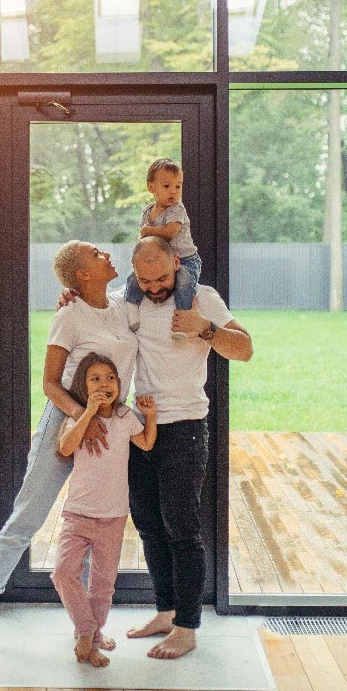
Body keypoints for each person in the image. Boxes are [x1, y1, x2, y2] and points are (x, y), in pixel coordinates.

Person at [0, 240, 138, 646]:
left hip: (110, 423)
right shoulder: (69, 316)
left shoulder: (123, 306)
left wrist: (101, 417)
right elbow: (49, 383)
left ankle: (90, 629)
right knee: (29, 513)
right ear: (81, 274)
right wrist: (82, 415)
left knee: (97, 520)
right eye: (97, 254)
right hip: (68, 419)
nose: (107, 255)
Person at [124, 236, 252, 659]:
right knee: (147, 524)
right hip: (143, 425)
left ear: (177, 262)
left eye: (161, 277)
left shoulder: (202, 297)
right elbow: (93, 312)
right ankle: (165, 612)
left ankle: (187, 627)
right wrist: (68, 296)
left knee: (182, 528)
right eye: (145, 279)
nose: (154, 286)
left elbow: (245, 349)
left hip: (187, 426)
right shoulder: (129, 298)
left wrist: (205, 328)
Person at [51, 352, 157, 668]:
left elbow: (147, 444)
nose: (104, 384)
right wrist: (89, 413)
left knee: (103, 584)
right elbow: (65, 447)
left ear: (119, 384)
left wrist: (149, 416)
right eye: (95, 379)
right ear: (83, 387)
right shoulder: (75, 419)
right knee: (63, 572)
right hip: (78, 514)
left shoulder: (125, 419)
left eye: (110, 378)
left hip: (113, 516)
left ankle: (94, 639)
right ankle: (86, 630)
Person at [124, 158, 201, 339]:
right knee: (134, 277)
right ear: (151, 188)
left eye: (178, 186)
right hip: (161, 261)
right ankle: (132, 305)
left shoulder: (176, 209)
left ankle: (183, 319)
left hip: (184, 259)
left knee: (184, 280)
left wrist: (148, 231)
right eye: (167, 186)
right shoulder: (147, 212)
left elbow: (170, 232)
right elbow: (143, 240)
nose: (173, 192)